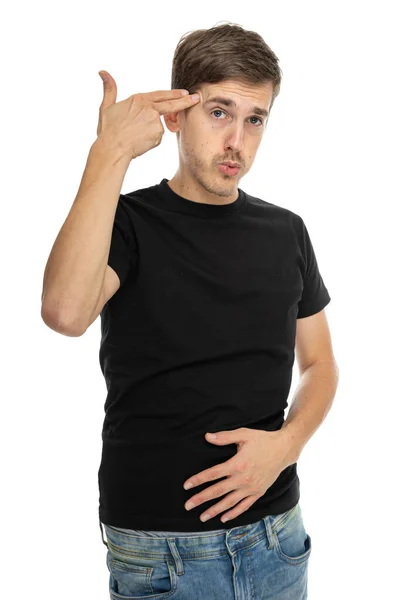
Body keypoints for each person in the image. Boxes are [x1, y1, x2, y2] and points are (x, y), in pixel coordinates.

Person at [41, 21, 339, 600]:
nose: (238, 142)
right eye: (220, 112)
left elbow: (321, 363)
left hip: (278, 537)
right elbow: (65, 312)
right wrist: (110, 153)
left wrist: (287, 444)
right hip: (161, 553)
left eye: (255, 119)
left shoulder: (286, 231)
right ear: (176, 114)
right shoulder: (126, 222)